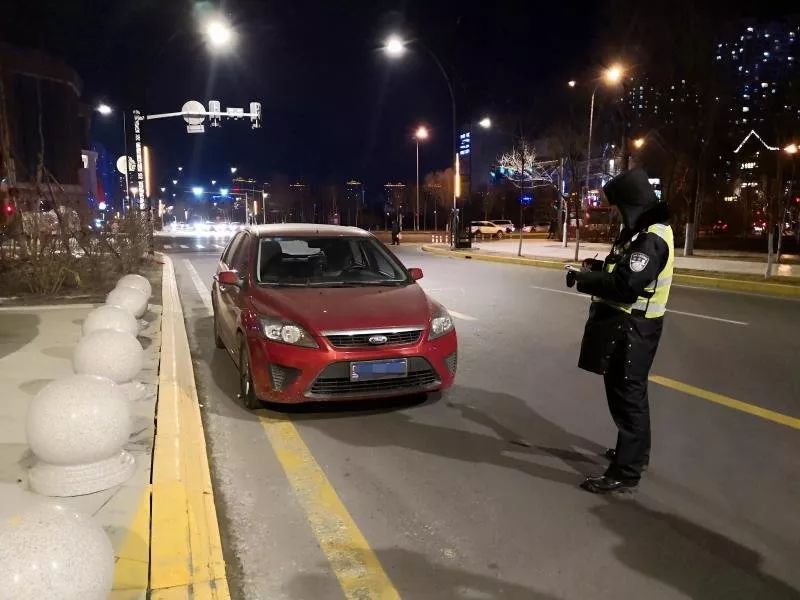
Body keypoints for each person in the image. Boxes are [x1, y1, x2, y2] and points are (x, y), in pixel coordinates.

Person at [565, 168, 674, 494]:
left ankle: (625, 472)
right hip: (633, 327)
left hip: (633, 329)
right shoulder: (642, 232)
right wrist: (597, 268)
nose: (616, 213)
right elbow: (623, 270)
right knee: (631, 395)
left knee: (627, 398)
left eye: (618, 207)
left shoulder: (651, 239)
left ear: (632, 204)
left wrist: (583, 281)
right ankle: (635, 454)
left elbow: (626, 287)